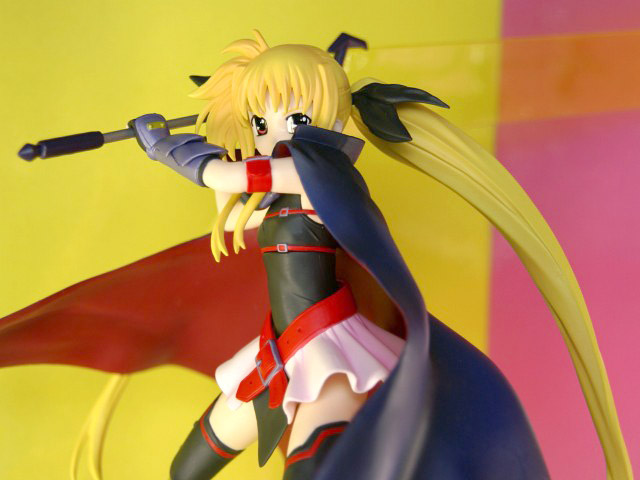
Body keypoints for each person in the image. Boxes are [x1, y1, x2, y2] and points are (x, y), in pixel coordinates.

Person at [0, 30, 632, 480]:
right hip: (274, 352)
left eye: (295, 117)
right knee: (188, 465)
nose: (275, 134)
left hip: (328, 352)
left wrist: (166, 148)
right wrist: (188, 142)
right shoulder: (287, 180)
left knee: (319, 469)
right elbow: (236, 187)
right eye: (261, 122)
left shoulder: (317, 171)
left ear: (327, 117)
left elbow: (225, 175)